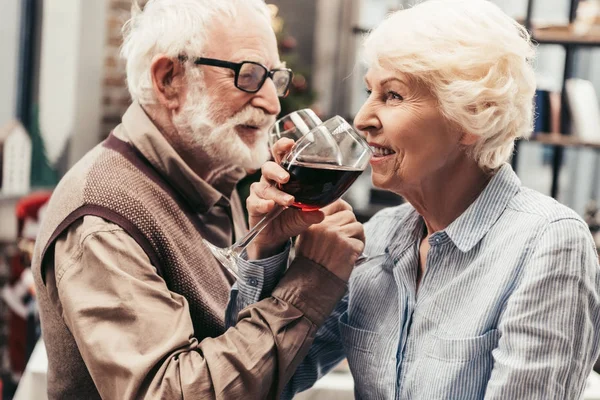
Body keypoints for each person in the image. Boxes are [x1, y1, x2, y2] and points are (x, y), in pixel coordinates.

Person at [243, 0, 600, 398]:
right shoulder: (375, 240)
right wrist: (268, 248)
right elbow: (264, 383)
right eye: (369, 91)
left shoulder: (547, 244)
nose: (362, 118)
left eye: (393, 96)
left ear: (471, 117)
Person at [31, 0, 365, 399]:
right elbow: (171, 393)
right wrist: (310, 279)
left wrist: (268, 252)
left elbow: (256, 374)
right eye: (249, 75)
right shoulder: (103, 216)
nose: (272, 103)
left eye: (275, 78)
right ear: (169, 79)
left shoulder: (218, 179)